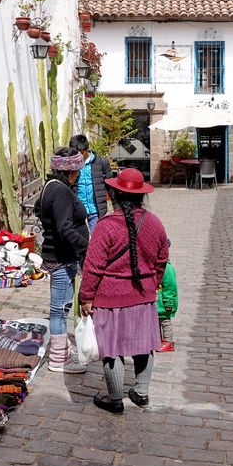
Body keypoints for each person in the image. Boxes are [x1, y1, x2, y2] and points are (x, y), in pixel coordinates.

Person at [78, 168, 169, 414]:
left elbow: (93, 266)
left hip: (110, 297)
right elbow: (162, 259)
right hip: (143, 295)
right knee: (145, 345)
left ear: (113, 195)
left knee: (111, 349)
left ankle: (115, 399)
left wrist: (86, 297)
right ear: (141, 196)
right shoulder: (154, 223)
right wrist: (153, 283)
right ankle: (141, 392)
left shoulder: (105, 226)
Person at [34, 147, 90, 373]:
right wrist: (86, 247)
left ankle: (62, 349)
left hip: (57, 255)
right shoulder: (62, 192)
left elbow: (40, 210)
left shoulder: (50, 187)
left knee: (61, 307)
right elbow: (64, 227)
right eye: (78, 169)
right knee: (59, 309)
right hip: (61, 258)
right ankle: (58, 359)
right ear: (72, 170)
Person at [69, 134, 111, 234]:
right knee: (79, 242)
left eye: (80, 153)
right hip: (77, 211)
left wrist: (117, 209)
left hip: (95, 211)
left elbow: (110, 187)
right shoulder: (71, 164)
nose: (77, 156)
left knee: (96, 240)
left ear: (86, 149)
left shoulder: (101, 162)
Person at [156, 248, 178, 352]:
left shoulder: (167, 268)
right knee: (156, 322)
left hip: (164, 304)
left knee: (165, 322)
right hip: (156, 304)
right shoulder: (155, 266)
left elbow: (170, 287)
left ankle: (168, 342)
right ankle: (158, 340)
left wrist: (169, 302)